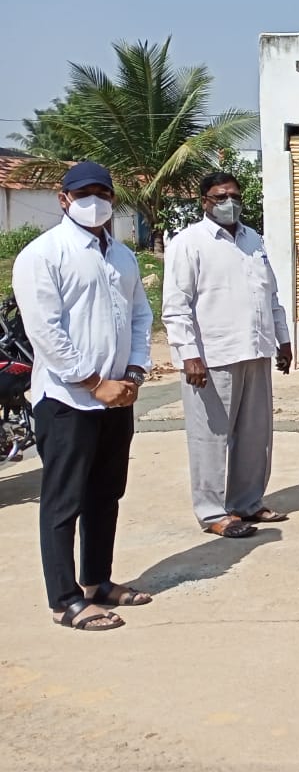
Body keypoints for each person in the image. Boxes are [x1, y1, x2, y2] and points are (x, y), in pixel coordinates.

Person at [13, 161, 153, 631]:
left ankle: (97, 581)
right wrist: (94, 382)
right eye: (84, 192)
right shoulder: (43, 255)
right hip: (68, 400)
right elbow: (46, 332)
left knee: (106, 494)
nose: (95, 201)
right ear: (63, 199)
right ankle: (65, 600)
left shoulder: (122, 257)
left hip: (117, 395)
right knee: (63, 501)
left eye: (103, 192)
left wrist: (133, 371)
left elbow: (139, 316)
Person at [163, 172, 293, 538]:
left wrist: (282, 339)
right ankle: (211, 512)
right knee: (210, 438)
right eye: (220, 197)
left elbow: (270, 296)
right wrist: (189, 354)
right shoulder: (188, 243)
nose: (229, 202)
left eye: (234, 195)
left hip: (255, 349)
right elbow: (176, 305)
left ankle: (247, 502)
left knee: (256, 435)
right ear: (204, 201)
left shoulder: (254, 239)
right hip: (212, 356)